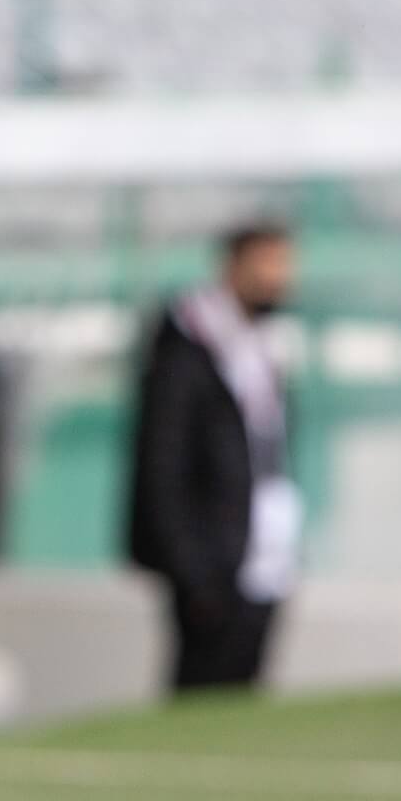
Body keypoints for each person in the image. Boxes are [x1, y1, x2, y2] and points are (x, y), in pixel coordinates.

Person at [125, 223, 299, 693]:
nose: (280, 278)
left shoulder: (263, 346)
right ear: (234, 265)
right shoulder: (188, 344)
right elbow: (163, 464)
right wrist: (192, 568)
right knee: (202, 692)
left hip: (263, 558)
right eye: (268, 263)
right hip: (212, 565)